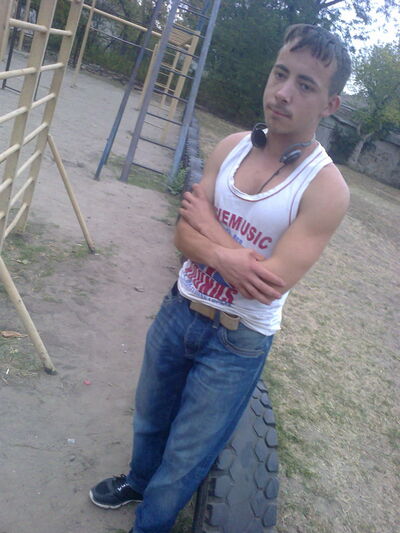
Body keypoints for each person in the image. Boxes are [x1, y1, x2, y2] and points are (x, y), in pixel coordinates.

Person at [89, 24, 351, 533]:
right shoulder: (231, 146)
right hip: (179, 307)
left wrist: (209, 231)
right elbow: (181, 236)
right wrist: (223, 254)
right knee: (149, 415)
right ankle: (138, 481)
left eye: (305, 85)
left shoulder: (326, 189)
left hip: (237, 339)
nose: (283, 93)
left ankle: (151, 525)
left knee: (189, 451)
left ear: (330, 104)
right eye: (280, 74)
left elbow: (266, 283)